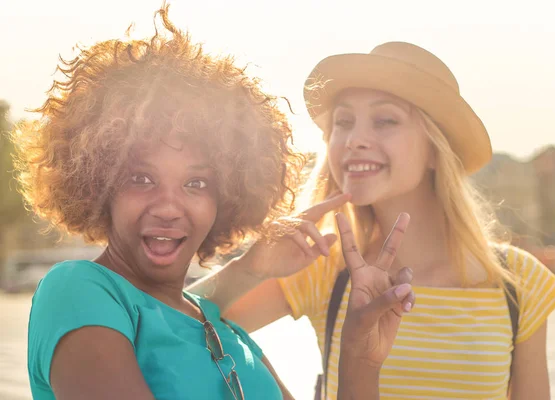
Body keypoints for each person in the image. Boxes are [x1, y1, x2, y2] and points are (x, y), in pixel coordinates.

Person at [13, 6, 415, 400]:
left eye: (196, 182)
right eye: (141, 178)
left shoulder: (230, 333)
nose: (169, 206)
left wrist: (360, 358)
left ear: (226, 197)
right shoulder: (78, 290)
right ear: (99, 182)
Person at [188, 42, 555, 399]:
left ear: (436, 151)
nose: (355, 139)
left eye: (385, 120)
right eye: (343, 122)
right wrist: (248, 268)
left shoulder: (519, 283)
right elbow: (171, 326)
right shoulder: (323, 267)